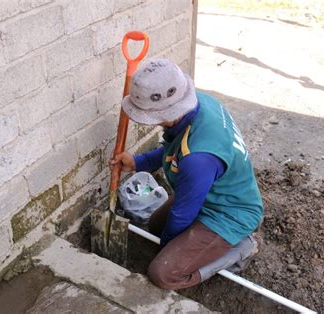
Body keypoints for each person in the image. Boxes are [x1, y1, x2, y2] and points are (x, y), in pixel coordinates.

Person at [110, 58, 264, 290]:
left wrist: (168, 250)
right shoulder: (199, 104)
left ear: (169, 113)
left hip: (229, 214)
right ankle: (199, 244)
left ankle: (242, 248)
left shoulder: (198, 160)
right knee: (155, 226)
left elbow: (182, 214)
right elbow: (176, 148)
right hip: (208, 192)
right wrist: (138, 162)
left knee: (162, 273)